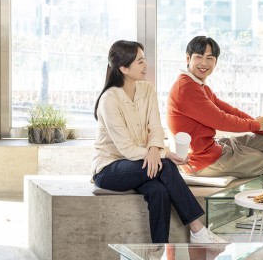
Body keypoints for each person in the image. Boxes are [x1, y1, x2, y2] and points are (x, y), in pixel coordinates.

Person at [91, 40, 224, 244]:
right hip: (110, 169)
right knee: (167, 165)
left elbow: (155, 128)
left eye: (144, 60)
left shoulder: (147, 89)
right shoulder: (109, 99)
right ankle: (197, 229)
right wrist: (162, 154)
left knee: (159, 190)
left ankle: (158, 250)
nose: (146, 65)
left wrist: (155, 149)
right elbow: (126, 149)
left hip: (141, 162)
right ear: (124, 68)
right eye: (140, 62)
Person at [167, 35, 263, 178]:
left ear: (215, 62)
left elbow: (229, 111)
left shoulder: (198, 86)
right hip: (201, 161)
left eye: (209, 58)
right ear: (188, 58)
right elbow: (221, 120)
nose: (204, 63)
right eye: (199, 57)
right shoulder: (186, 88)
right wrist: (257, 125)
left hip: (213, 148)